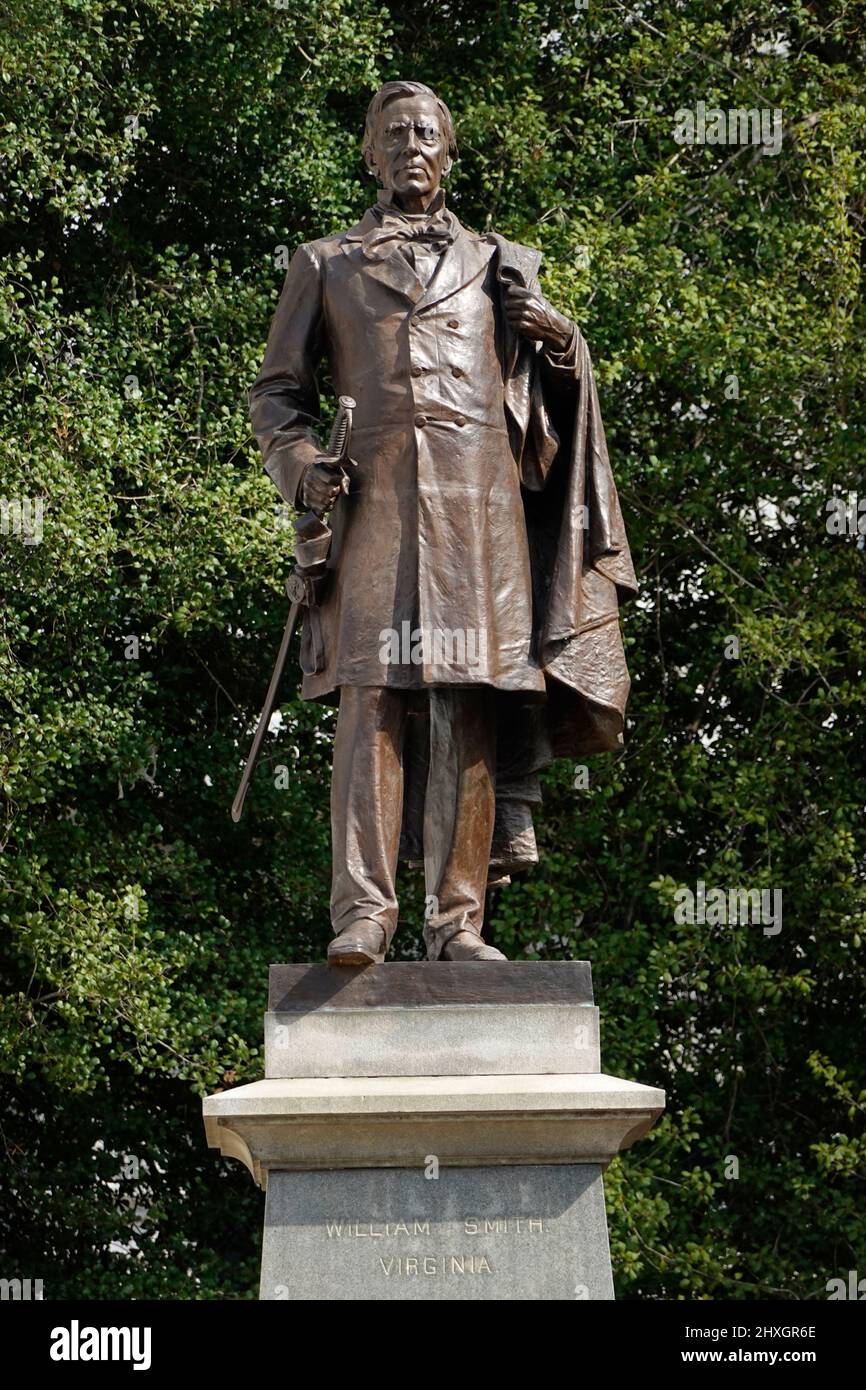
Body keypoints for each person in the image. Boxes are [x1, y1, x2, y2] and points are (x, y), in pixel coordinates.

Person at [250, 81, 636, 966]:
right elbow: (275, 394)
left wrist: (562, 343)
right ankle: (365, 915)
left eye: (427, 132)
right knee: (371, 705)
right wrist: (303, 468)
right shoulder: (324, 261)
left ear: (449, 153)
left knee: (465, 703)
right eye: (395, 134)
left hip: (480, 514)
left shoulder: (505, 262)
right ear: (371, 154)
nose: (412, 145)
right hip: (373, 506)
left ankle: (458, 924)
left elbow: (558, 408)